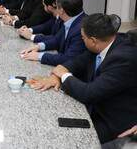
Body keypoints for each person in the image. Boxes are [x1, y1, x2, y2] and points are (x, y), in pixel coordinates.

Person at [28, 14, 137, 147]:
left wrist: (64, 76)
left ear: (93, 40)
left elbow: (89, 94)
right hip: (101, 103)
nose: (82, 40)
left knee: (69, 141)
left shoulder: (123, 58)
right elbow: (80, 60)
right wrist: (57, 74)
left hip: (114, 119)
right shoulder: (108, 41)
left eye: (83, 38)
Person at [20, 0, 86, 66]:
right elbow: (57, 39)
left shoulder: (81, 29)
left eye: (57, 6)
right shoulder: (71, 19)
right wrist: (38, 47)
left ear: (61, 10)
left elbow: (68, 58)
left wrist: (40, 56)